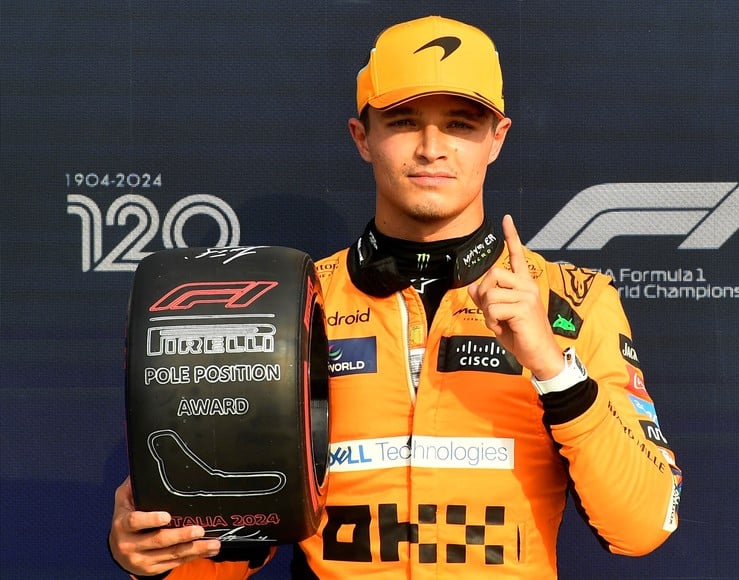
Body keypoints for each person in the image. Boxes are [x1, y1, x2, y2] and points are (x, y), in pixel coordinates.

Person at [109, 15, 681, 579]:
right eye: (404, 121)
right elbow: (223, 554)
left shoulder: (573, 302)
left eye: (460, 124)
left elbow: (642, 525)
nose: (432, 148)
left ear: (497, 140)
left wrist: (553, 369)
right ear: (363, 137)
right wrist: (156, 557)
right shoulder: (290, 306)